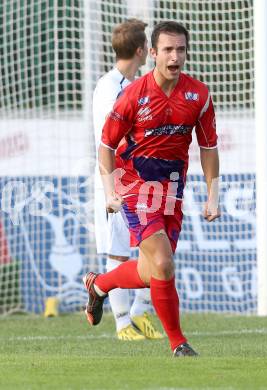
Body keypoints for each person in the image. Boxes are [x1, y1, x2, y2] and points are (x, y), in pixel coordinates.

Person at [84, 21, 220, 357]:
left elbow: (208, 148)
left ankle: (99, 284)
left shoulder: (198, 95)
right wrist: (110, 190)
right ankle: (179, 343)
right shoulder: (132, 95)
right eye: (168, 50)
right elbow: (106, 145)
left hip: (172, 191)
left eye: (181, 49)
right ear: (153, 53)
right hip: (136, 187)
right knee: (162, 262)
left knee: (150, 272)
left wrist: (212, 194)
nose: (175, 56)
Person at [92, 18, 163, 341]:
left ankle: (140, 312)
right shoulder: (110, 87)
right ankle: (122, 323)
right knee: (118, 249)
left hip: (144, 178)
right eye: (147, 45)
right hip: (117, 178)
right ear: (140, 50)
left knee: (158, 247)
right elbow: (114, 138)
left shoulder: (141, 82)